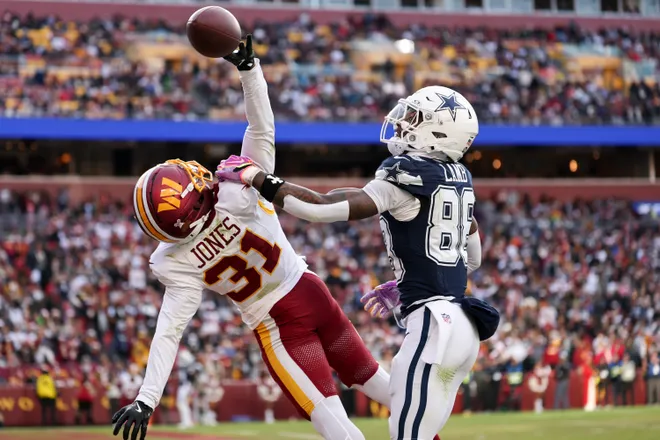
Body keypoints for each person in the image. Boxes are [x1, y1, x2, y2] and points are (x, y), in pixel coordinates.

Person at [111, 35, 391, 440]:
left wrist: (147, 398)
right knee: (386, 387)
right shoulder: (234, 189)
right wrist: (249, 69)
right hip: (312, 294)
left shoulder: (173, 258)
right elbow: (261, 127)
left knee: (339, 430)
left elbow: (169, 330)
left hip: (278, 326)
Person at [218, 85, 500, 439]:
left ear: (438, 132)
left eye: (415, 117)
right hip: (463, 328)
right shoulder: (459, 182)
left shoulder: (403, 183)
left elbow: (319, 209)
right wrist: (413, 280)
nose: (402, 122)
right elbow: (470, 258)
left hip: (434, 325)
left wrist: (256, 177)